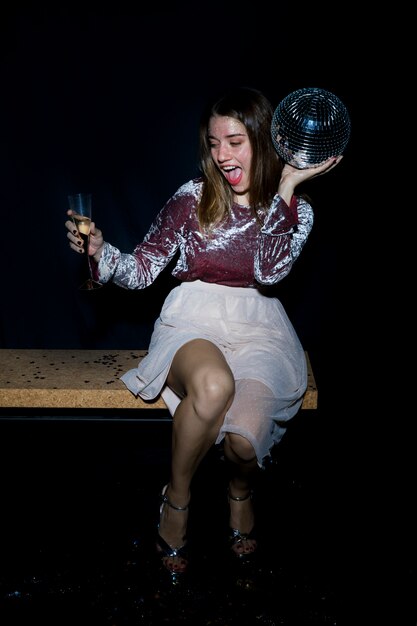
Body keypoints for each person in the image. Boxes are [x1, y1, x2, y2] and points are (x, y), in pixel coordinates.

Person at [65, 86, 342, 580]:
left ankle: (239, 490)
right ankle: (178, 498)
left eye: (235, 140)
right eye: (213, 143)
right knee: (215, 387)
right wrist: (100, 252)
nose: (221, 155)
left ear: (264, 139)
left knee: (244, 442)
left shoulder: (299, 210)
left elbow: (270, 272)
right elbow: (141, 270)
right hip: (193, 319)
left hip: (260, 328)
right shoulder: (192, 197)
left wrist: (285, 190)